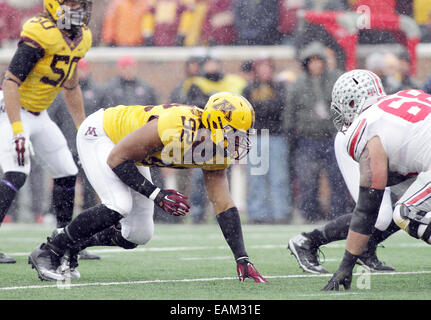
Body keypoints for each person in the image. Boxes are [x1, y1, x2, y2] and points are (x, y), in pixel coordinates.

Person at [28, 92, 268, 284]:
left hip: (131, 154)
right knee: (118, 205)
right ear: (216, 125)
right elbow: (116, 159)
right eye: (236, 133)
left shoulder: (217, 150)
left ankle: (73, 245)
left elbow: (223, 203)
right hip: (103, 136)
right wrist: (157, 195)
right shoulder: (178, 125)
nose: (240, 140)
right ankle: (49, 251)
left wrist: (242, 257)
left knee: (139, 233)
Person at [0, 0, 92, 264]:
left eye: (82, 4)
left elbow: (71, 86)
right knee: (17, 173)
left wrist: (84, 127)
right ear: (54, 5)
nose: (79, 10)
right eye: (72, 4)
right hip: (11, 110)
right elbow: (10, 81)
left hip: (40, 114)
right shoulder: (41, 31)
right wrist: (17, 130)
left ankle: (64, 240)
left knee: (66, 171)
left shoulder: (82, 37)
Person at [323, 69, 431, 291]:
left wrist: (346, 265)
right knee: (412, 193)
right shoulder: (405, 95)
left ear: (351, 102)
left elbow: (367, 208)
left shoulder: (366, 126)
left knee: (406, 213)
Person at [285, 41, 350, 222]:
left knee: (337, 178)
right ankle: (309, 215)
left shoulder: (337, 79)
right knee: (307, 180)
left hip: (333, 138)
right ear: (306, 64)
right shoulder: (298, 84)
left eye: (318, 60)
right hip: (307, 139)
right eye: (311, 61)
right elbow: (290, 111)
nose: (316, 65)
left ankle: (339, 215)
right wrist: (291, 135)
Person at [242, 57, 291, 223]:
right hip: (255, 137)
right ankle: (258, 214)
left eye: (267, 68)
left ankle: (280, 213)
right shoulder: (248, 89)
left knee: (279, 177)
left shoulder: (280, 87)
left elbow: (280, 108)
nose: (265, 72)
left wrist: (263, 107)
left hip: (276, 136)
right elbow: (246, 112)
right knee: (256, 178)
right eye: (261, 68)